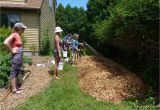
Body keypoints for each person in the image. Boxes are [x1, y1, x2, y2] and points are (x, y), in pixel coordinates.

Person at [4, 22, 27, 94]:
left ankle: (16, 86)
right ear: (19, 28)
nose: (24, 29)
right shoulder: (14, 34)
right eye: (23, 28)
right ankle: (14, 89)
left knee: (17, 71)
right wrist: (11, 50)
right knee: (14, 72)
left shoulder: (18, 35)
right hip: (16, 57)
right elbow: (5, 42)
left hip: (18, 57)